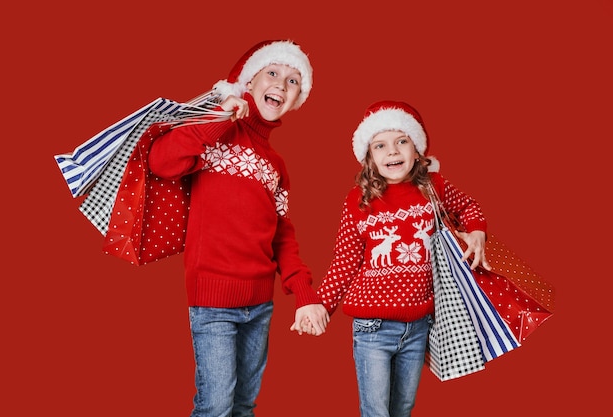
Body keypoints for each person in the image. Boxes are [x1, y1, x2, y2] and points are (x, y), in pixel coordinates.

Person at [147, 40, 329, 417]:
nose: (282, 83)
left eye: (294, 81)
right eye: (273, 73)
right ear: (250, 80)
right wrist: (218, 115)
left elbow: (282, 234)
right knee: (215, 406)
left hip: (260, 305)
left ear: (297, 100)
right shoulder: (216, 133)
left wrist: (304, 294)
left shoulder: (276, 164)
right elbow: (161, 161)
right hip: (213, 301)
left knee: (243, 406)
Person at [303, 100, 491, 417]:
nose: (392, 152)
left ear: (416, 150)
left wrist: (476, 231)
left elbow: (470, 207)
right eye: (380, 145)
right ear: (369, 158)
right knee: (376, 410)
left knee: (402, 408)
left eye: (401, 141)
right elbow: (345, 260)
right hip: (372, 328)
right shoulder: (357, 200)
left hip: (419, 325)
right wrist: (322, 304)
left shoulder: (435, 187)